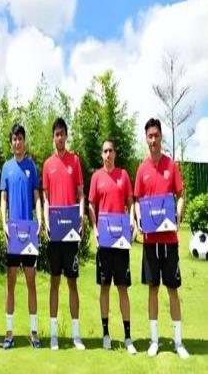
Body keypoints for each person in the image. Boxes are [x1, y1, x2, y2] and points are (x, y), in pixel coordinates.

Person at [134, 118, 189, 359]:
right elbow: (137, 201)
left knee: (172, 289)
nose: (153, 140)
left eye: (156, 135)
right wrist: (139, 220)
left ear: (161, 137)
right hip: (150, 242)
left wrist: (178, 215)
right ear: (146, 139)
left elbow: (180, 194)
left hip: (169, 240)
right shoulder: (142, 169)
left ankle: (178, 342)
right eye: (150, 136)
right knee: (153, 289)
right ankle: (155, 341)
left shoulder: (171, 165)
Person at [88, 139, 137, 354]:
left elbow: (131, 202)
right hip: (105, 243)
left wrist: (132, 219)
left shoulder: (123, 175)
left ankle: (127, 337)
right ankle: (106, 334)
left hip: (121, 242)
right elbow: (91, 205)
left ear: (115, 154)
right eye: (105, 151)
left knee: (123, 288)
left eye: (111, 150)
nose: (108, 154)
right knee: (105, 287)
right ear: (102, 155)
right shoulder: (96, 177)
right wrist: (95, 228)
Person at [42, 117, 85, 351]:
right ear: (53, 137)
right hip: (55, 234)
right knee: (54, 282)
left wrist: (81, 217)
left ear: (66, 136)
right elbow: (46, 198)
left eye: (62, 134)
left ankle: (76, 336)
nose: (60, 137)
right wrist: (47, 222)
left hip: (70, 234)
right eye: (56, 134)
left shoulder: (75, 161)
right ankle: (54, 335)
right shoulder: (47, 164)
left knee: (72, 283)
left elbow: (81, 193)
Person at [0, 124, 42, 350]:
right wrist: (4, 225)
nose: (17, 143)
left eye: (20, 139)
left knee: (31, 282)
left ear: (24, 142)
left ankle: (34, 333)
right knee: (11, 283)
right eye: (14, 139)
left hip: (29, 233)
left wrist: (40, 221)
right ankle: (9, 333)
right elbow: (3, 199)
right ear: (11, 143)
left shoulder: (31, 167)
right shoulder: (6, 167)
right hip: (13, 234)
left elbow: (37, 197)